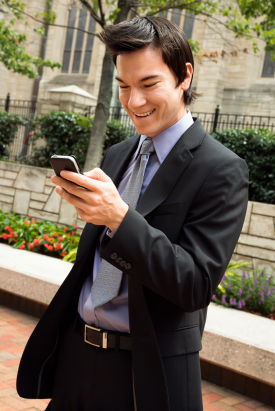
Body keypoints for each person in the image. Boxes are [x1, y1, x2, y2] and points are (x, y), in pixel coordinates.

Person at [17, 16, 249, 411]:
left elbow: (194, 285)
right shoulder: (119, 153)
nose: (133, 102)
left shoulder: (221, 169)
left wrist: (119, 219)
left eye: (148, 84)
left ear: (184, 76)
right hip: (77, 354)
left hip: (146, 375)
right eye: (124, 86)